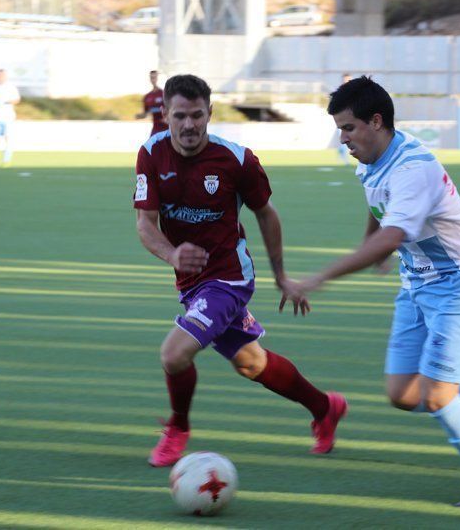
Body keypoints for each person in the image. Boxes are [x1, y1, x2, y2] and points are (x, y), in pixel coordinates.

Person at [282, 76, 460, 507]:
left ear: (376, 121)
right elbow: (375, 202)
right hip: (418, 281)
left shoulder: (412, 167)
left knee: (440, 394)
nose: (342, 138)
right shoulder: (369, 157)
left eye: (348, 128)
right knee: (404, 394)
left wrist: (320, 276)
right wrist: (376, 245)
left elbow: (392, 232)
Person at [133, 74, 347, 467]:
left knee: (174, 354)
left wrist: (282, 276)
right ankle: (324, 408)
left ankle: (178, 428)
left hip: (229, 278)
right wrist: (171, 254)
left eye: (197, 115)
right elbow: (145, 224)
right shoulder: (151, 154)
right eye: (179, 115)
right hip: (191, 282)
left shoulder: (236, 159)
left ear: (210, 113)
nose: (189, 125)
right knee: (252, 362)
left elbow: (267, 215)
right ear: (164, 114)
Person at [136, 70, 168, 137]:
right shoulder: (147, 97)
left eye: (155, 77)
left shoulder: (166, 94)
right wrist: (139, 116)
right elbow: (146, 113)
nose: (153, 80)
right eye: (151, 78)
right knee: (152, 146)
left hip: (168, 128)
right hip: (156, 129)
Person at [336, 73, 353, 166]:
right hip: (342, 118)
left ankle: (342, 154)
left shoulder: (353, 91)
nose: (348, 81)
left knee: (348, 139)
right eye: (346, 79)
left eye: (349, 79)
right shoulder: (340, 91)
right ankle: (344, 158)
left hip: (350, 118)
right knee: (344, 139)